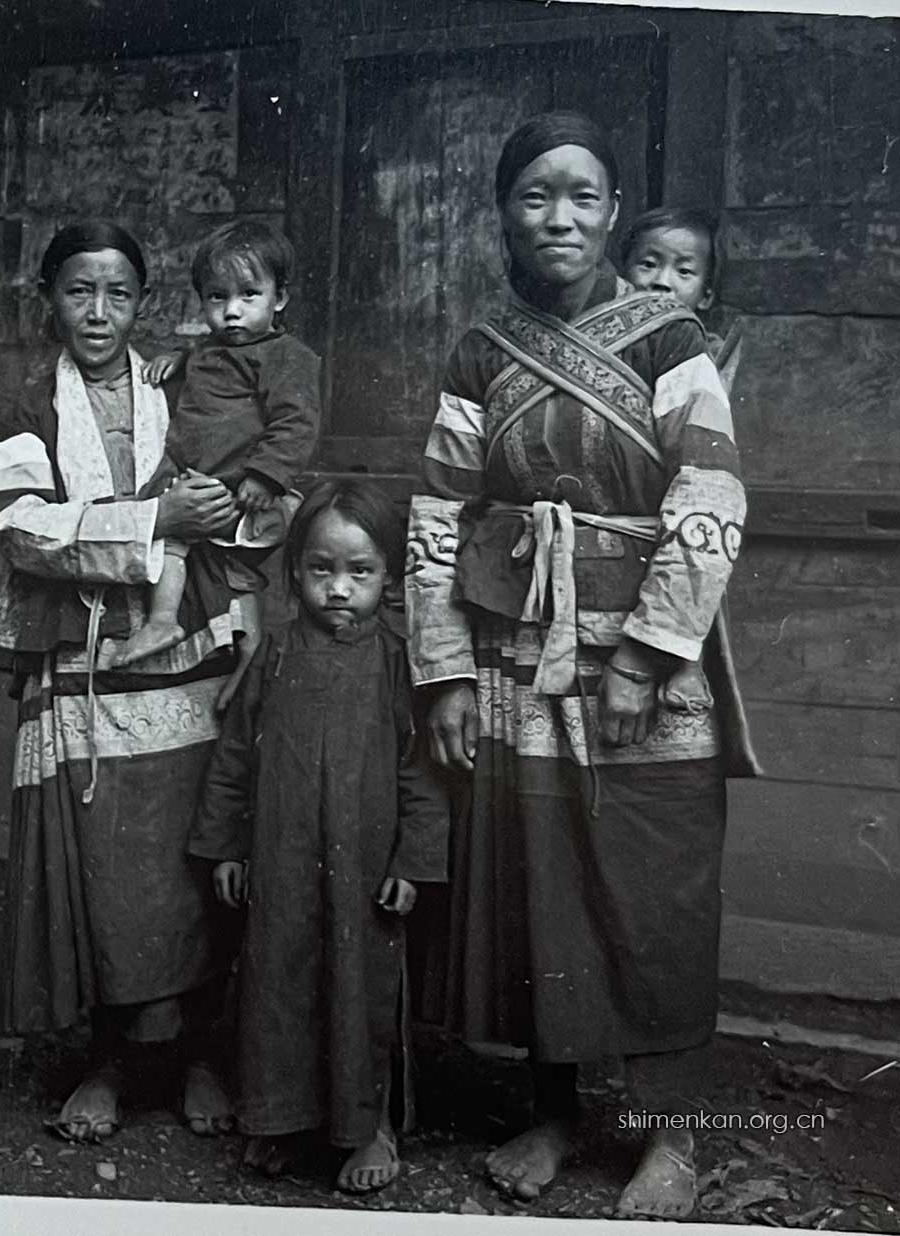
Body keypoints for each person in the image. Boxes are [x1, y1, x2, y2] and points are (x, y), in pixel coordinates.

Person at [405, 113, 759, 1220]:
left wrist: (648, 656)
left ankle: (671, 1138)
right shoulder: (481, 347)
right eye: (536, 195)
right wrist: (444, 669)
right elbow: (440, 508)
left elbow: (711, 492)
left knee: (656, 886)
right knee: (538, 882)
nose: (559, 217)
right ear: (504, 212)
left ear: (611, 215)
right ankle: (554, 1111)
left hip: (644, 656)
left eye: (584, 197)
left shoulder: (669, 337)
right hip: (515, 653)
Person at [0, 219, 245, 1144]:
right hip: (80, 649)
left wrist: (213, 514)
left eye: (118, 294)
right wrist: (153, 517)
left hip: (188, 643)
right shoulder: (27, 402)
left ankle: (199, 1052)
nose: (98, 312)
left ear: (141, 303)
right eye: (79, 291)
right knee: (99, 858)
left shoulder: (180, 385)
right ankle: (110, 1061)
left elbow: (237, 479)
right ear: (49, 298)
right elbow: (22, 528)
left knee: (194, 847)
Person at [189, 480, 449, 1194]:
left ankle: (370, 1127)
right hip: (281, 861)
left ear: (388, 575)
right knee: (279, 984)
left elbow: (421, 774)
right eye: (320, 569)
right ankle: (283, 1121)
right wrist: (228, 847)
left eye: (359, 572)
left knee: (361, 990)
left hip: (365, 870)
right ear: (295, 570)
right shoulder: (275, 653)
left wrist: (413, 861)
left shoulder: (397, 661)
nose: (338, 589)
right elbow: (235, 756)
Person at [106, 220, 321, 712]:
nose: (232, 310)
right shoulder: (212, 349)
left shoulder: (287, 357)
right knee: (225, 575)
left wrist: (265, 475)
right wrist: (178, 358)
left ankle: (163, 622)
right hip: (202, 482)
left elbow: (297, 422)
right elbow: (212, 365)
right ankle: (245, 651)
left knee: (178, 541)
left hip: (243, 491)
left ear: (280, 298)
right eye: (217, 297)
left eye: (249, 294)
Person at [621, 205, 744, 393]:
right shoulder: (605, 338)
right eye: (648, 264)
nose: (662, 282)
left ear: (706, 296)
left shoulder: (703, 359)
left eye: (684, 271)